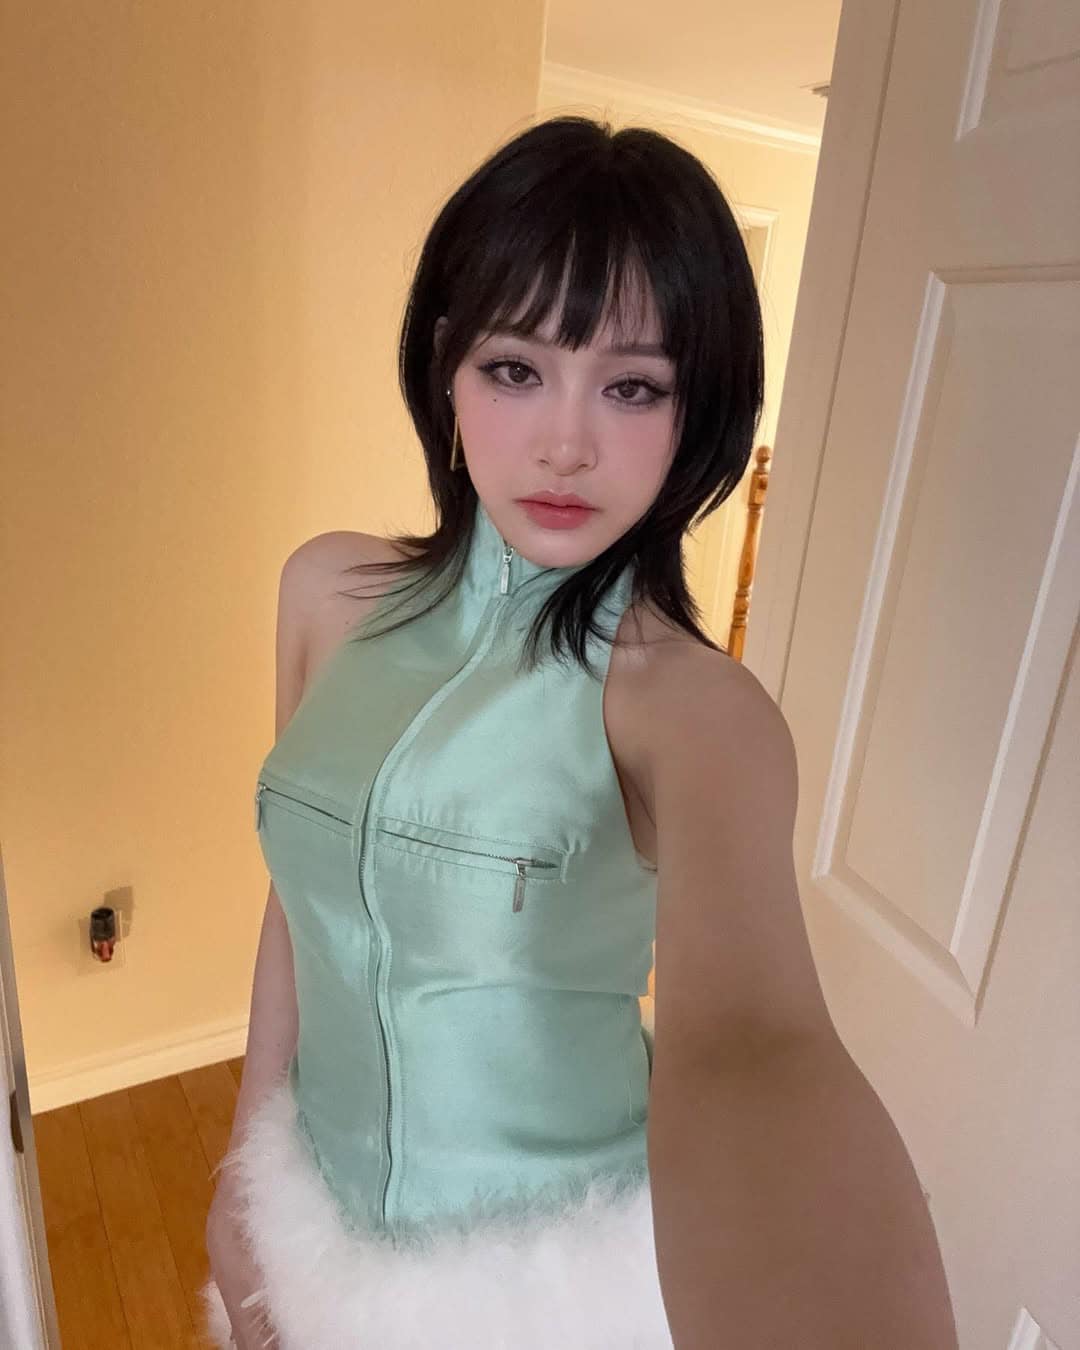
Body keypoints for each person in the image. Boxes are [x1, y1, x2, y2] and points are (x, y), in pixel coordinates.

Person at [202, 115, 958, 1349]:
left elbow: (761, 1045)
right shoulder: (325, 594)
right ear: (447, 370)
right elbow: (299, 897)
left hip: (552, 1299)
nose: (566, 442)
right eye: (516, 369)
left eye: (632, 386)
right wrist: (247, 1182)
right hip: (304, 1229)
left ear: (695, 412)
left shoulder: (694, 711)